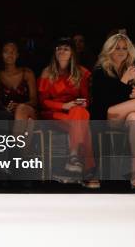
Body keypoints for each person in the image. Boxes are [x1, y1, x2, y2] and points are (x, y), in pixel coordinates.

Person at [91, 34, 135, 189]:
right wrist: (125, 81)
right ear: (109, 50)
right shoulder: (100, 70)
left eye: (125, 48)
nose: (121, 51)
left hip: (123, 116)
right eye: (117, 48)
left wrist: (133, 93)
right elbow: (103, 101)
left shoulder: (129, 69)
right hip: (104, 115)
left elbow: (127, 98)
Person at [38, 37, 97, 187]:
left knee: (80, 113)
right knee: (84, 125)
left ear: (72, 53)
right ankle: (88, 169)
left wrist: (83, 103)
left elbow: (87, 99)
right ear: (54, 52)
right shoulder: (47, 73)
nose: (62, 51)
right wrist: (64, 106)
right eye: (59, 48)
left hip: (75, 114)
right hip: (53, 114)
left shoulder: (82, 73)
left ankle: (73, 159)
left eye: (66, 48)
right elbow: (43, 102)